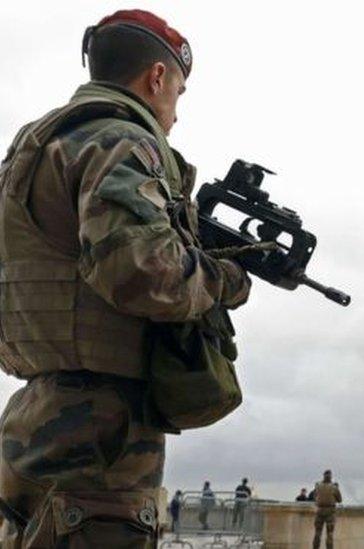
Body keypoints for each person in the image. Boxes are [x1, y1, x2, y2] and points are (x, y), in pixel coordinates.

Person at [0, 9, 250, 546]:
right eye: (179, 93)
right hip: (103, 434)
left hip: (36, 415)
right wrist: (227, 279)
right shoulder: (119, 141)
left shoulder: (35, 147)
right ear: (157, 77)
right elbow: (140, 272)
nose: (175, 116)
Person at [312, 470, 343, 549]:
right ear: (330, 477)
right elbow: (339, 500)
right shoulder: (334, 487)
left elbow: (315, 496)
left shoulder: (318, 486)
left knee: (317, 533)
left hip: (319, 511)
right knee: (329, 534)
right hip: (330, 512)